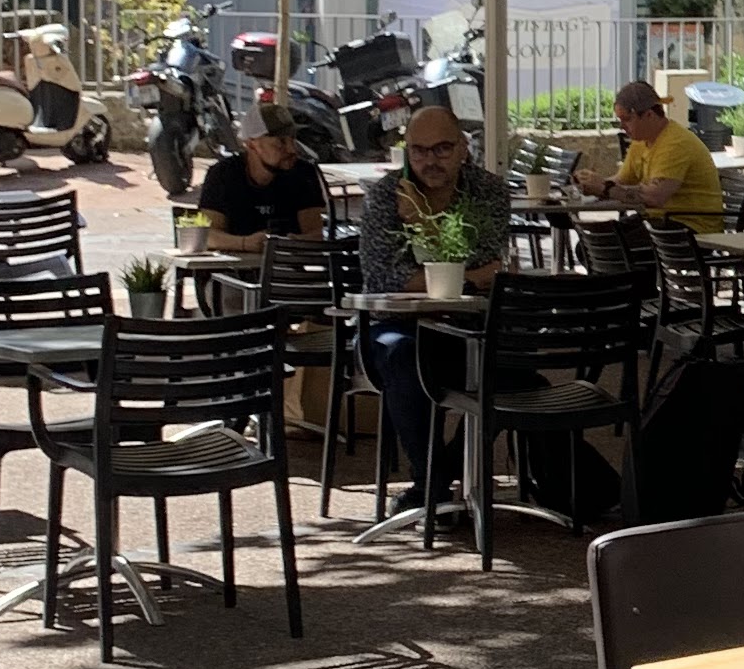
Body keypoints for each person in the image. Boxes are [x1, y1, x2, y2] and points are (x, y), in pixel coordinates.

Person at [357, 102, 511, 490]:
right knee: (403, 357)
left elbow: (489, 259)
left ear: (463, 147)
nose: (430, 161)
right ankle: (430, 483)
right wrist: (469, 278)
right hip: (400, 326)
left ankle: (447, 470)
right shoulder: (385, 195)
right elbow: (382, 276)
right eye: (419, 151)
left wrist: (423, 225)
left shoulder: (489, 190)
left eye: (442, 149)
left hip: (471, 326)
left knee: (517, 371)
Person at [577, 79, 724, 233]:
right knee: (594, 240)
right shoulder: (641, 142)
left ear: (649, 115)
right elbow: (622, 181)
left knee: (606, 243)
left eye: (627, 119)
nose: (622, 126)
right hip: (659, 221)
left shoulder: (675, 143)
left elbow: (655, 197)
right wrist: (589, 185)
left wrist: (605, 188)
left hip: (690, 226)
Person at [195, 96, 328, 254]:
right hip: (234, 267)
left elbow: (315, 234)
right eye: (280, 142)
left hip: (285, 265)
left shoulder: (303, 173)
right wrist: (245, 243)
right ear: (252, 144)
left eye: (293, 140)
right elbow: (207, 235)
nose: (292, 150)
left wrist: (292, 242)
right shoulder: (223, 174)